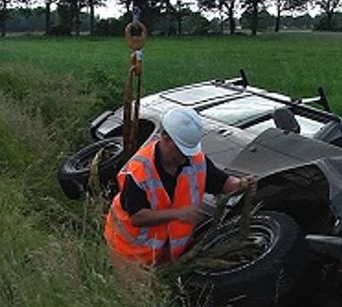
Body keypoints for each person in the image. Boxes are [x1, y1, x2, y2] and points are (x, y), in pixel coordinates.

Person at [104, 107, 251, 266]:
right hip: (129, 253)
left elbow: (223, 183)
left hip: (166, 255)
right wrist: (178, 214)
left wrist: (241, 184)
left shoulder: (195, 160)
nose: (185, 157)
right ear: (165, 139)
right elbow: (137, 217)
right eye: (181, 151)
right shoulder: (139, 170)